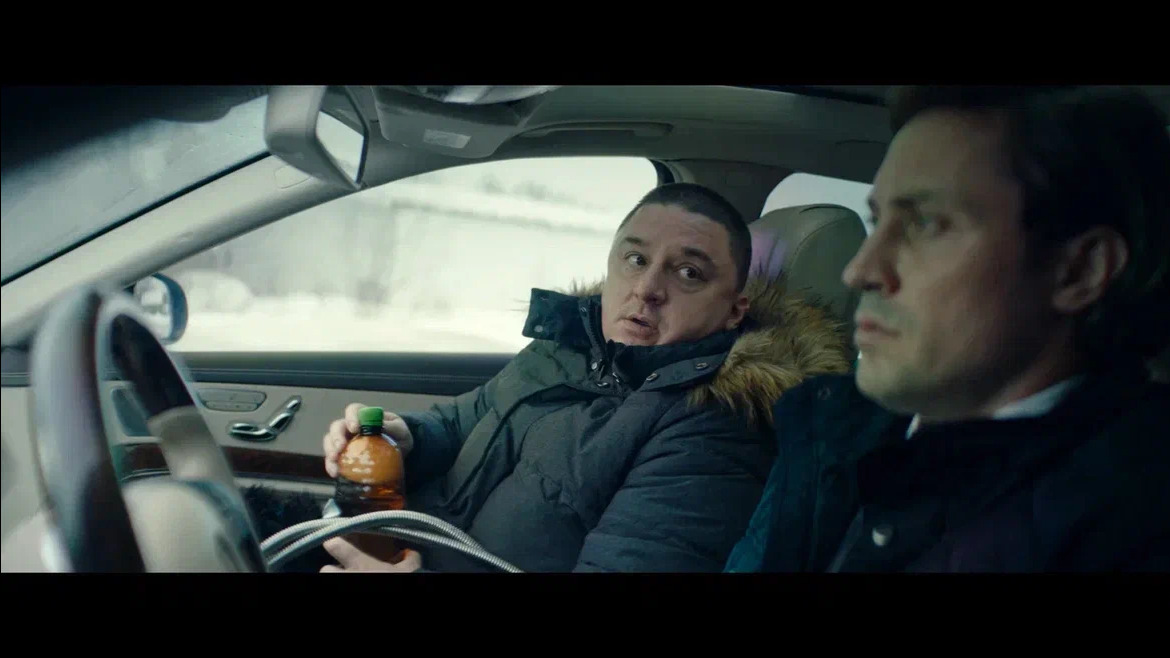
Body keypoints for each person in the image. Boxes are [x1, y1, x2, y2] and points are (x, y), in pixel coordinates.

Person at [724, 85, 1170, 573]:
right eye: (878, 221)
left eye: (925, 224)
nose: (859, 271)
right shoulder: (830, 431)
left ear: (1078, 271)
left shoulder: (1134, 524)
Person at [317, 183, 854, 572]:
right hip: (398, 543)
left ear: (734, 312)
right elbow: (466, 419)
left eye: (688, 273)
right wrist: (406, 438)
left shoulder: (713, 428)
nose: (647, 289)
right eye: (635, 259)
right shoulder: (568, 344)